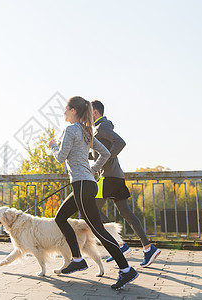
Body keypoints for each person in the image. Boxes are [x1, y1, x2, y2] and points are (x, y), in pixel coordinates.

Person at [48, 96, 138, 291]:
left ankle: (126, 269)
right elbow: (105, 153)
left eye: (66, 109)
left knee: (98, 229)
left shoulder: (71, 129)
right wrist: (93, 170)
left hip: (82, 185)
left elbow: (60, 157)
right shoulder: (86, 131)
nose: (63, 112)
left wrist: (53, 146)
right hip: (86, 184)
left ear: (73, 111)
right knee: (61, 217)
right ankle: (78, 259)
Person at [90, 100, 161, 268]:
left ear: (94, 112)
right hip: (115, 176)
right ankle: (148, 248)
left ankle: (120, 246)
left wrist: (107, 157)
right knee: (127, 214)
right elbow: (99, 155)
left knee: (92, 210)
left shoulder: (101, 128)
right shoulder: (98, 129)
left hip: (108, 178)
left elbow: (120, 142)